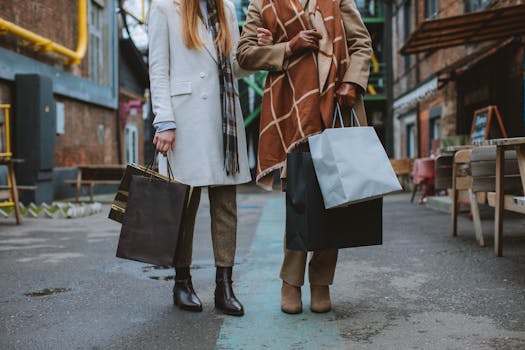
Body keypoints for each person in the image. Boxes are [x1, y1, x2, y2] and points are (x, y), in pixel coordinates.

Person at [237, 0, 373, 314]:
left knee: (335, 197)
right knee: (300, 198)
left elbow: (360, 43)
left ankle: (321, 280)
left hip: (336, 105)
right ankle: (291, 281)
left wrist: (353, 81)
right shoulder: (263, 4)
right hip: (291, 113)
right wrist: (287, 47)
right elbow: (244, 53)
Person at [148, 0, 270, 316]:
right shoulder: (164, 8)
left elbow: (234, 66)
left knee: (226, 206)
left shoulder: (227, 9)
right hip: (185, 121)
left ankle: (224, 286)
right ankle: (182, 282)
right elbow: (158, 68)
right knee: (184, 208)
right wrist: (164, 121)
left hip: (222, 121)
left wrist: (257, 50)